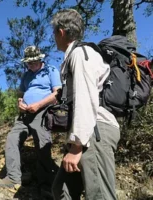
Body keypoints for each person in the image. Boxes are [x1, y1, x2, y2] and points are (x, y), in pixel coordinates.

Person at [51, 9, 120, 200]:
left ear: (61, 32)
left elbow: (86, 97)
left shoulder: (81, 54)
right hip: (87, 132)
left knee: (99, 195)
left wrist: (77, 146)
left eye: (54, 33)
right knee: (62, 190)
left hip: (95, 130)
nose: (54, 37)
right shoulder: (75, 55)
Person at [0, 46, 61, 197]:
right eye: (28, 63)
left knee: (42, 142)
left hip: (43, 111)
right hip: (25, 114)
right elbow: (21, 94)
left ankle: (46, 184)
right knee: (12, 138)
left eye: (33, 62)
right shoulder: (26, 76)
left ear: (40, 59)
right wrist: (20, 103)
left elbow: (57, 93)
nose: (31, 65)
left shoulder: (51, 70)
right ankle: (13, 177)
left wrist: (38, 104)